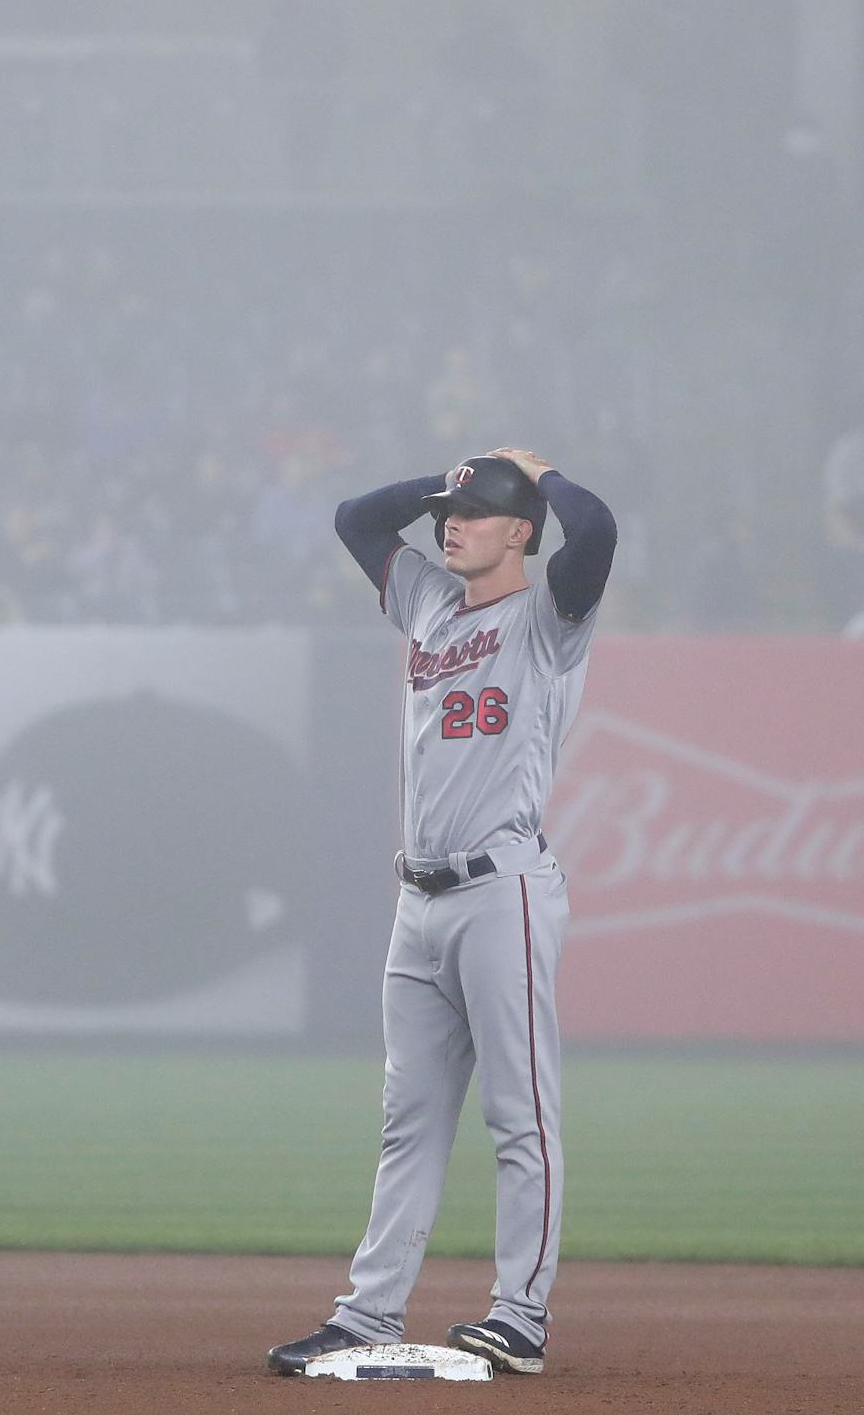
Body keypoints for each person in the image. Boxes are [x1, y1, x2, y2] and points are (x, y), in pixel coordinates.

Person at [267, 448, 616, 1378]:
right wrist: (447, 481)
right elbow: (354, 517)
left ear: (522, 533)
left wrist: (537, 476)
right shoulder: (426, 602)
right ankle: (369, 1312)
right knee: (408, 1119)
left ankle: (521, 1317)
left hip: (502, 890)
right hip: (416, 899)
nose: (450, 525)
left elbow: (600, 533)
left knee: (520, 1115)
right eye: (446, 515)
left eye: (474, 512)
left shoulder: (551, 617)